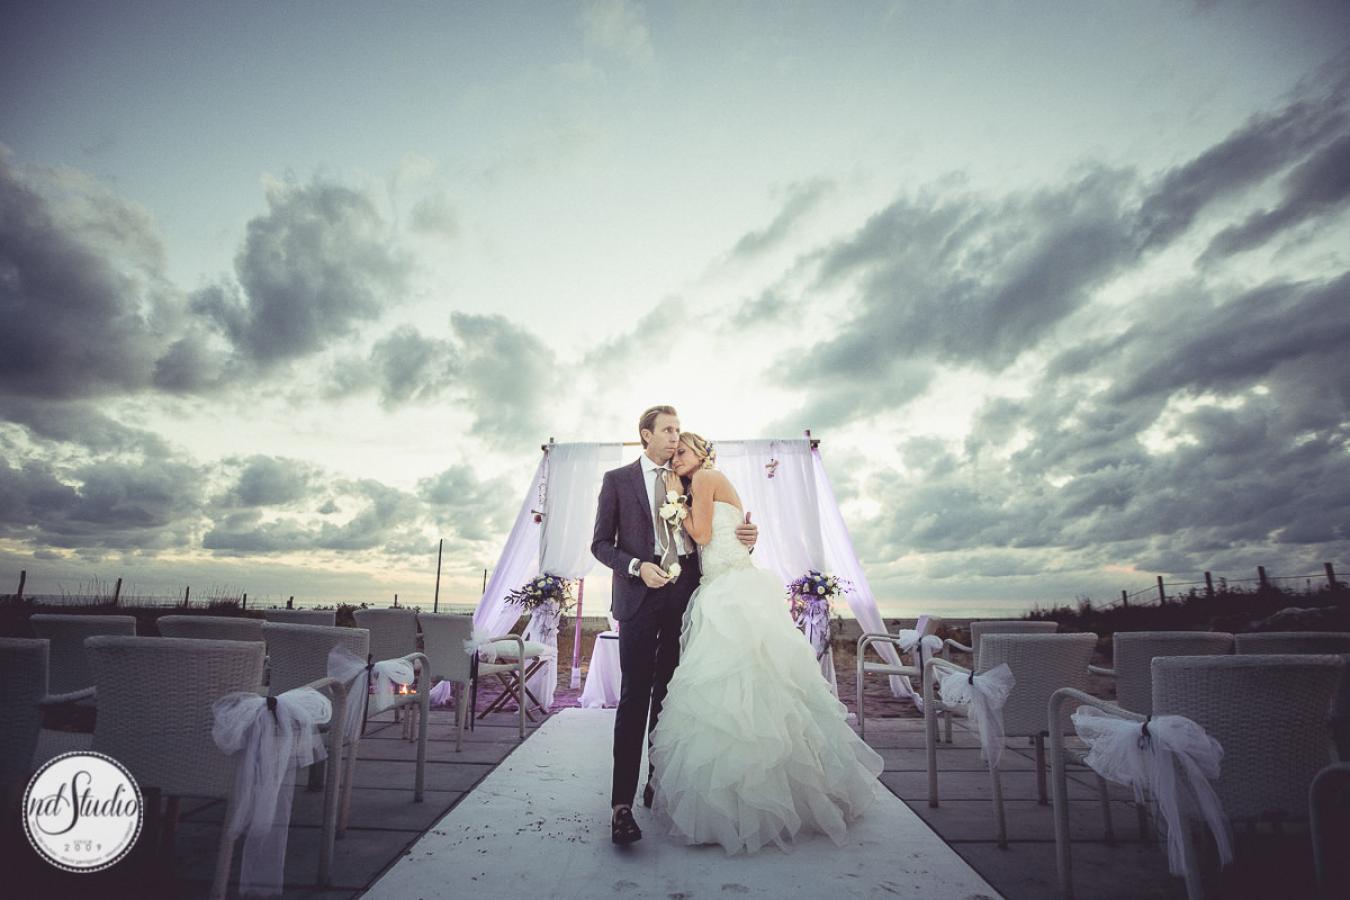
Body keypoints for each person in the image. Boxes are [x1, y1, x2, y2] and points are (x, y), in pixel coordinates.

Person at [647, 431, 884, 855]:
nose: (678, 458)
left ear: (703, 453)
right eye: (674, 453)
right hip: (733, 585)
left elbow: (701, 535)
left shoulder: (704, 479)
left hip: (727, 591)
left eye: (684, 451)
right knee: (757, 686)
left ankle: (736, 804)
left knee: (728, 692)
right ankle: (761, 795)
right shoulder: (710, 482)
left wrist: (673, 502)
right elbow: (726, 533)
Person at [591, 406, 758, 845]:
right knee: (634, 697)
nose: (674, 437)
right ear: (646, 435)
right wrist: (635, 566)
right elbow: (600, 544)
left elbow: (715, 532)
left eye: (679, 431)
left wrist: (747, 537)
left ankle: (658, 783)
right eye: (667, 430)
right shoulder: (618, 481)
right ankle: (620, 805)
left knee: (671, 697)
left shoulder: (691, 478)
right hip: (638, 600)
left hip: (685, 601)